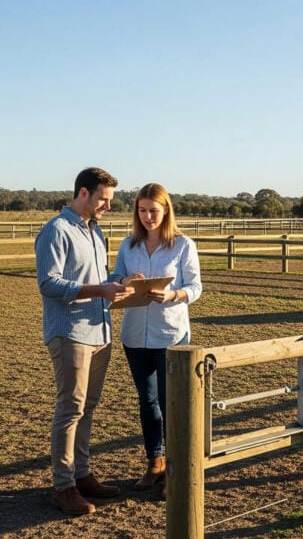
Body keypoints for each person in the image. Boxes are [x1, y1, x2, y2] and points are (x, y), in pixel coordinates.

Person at [35, 167, 135, 516]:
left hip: (99, 333)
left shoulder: (95, 232)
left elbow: (96, 279)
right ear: (83, 193)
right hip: (70, 334)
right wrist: (98, 290)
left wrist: (119, 281)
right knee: (70, 409)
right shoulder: (56, 231)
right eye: (103, 200)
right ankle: (63, 487)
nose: (107, 206)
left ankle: (81, 474)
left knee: (87, 408)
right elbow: (49, 284)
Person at [112, 183, 202, 498]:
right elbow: (113, 277)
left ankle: (176, 470)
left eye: (154, 210)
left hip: (170, 335)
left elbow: (195, 287)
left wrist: (172, 294)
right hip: (134, 335)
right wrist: (124, 280)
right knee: (147, 402)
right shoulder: (128, 245)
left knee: (170, 403)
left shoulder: (182, 245)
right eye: (142, 210)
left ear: (165, 211)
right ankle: (155, 462)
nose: (148, 216)